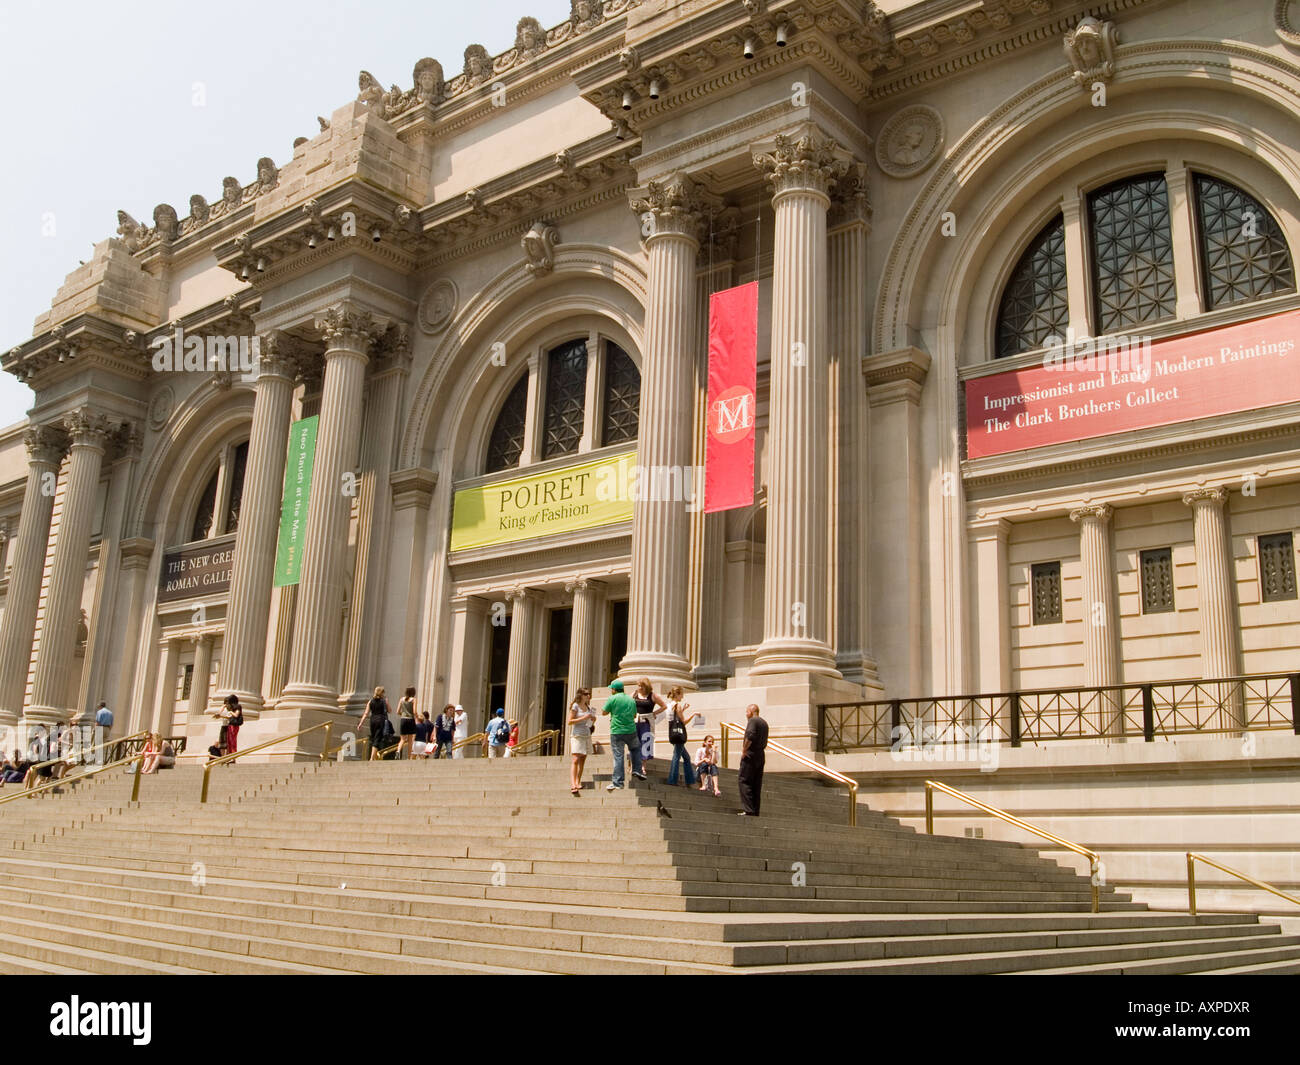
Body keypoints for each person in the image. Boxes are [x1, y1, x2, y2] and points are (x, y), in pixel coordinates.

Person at [602, 679, 641, 790]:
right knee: (635, 749)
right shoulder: (631, 699)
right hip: (631, 730)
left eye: (612, 689)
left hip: (617, 731)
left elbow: (604, 712)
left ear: (614, 689)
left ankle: (618, 782)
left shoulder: (612, 698)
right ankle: (637, 770)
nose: (611, 691)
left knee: (618, 756)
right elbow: (634, 715)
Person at [737, 704, 768, 816]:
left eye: (746, 712)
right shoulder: (764, 723)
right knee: (756, 783)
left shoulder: (753, 721)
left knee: (744, 780)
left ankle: (748, 809)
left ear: (751, 711)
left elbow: (750, 735)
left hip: (751, 753)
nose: (746, 714)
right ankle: (755, 810)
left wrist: (744, 750)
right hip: (760, 754)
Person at [664, 687, 696, 788]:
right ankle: (673, 779)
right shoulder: (677, 705)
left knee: (686, 757)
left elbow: (674, 717)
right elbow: (683, 721)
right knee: (676, 756)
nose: (682, 696)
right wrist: (694, 714)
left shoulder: (669, 705)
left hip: (672, 733)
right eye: (681, 694)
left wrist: (683, 709)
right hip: (679, 735)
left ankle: (689, 780)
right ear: (677, 694)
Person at [632, 677, 667, 767]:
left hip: (647, 722)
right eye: (639, 686)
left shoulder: (652, 696)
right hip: (635, 721)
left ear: (646, 687)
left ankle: (643, 766)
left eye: (642, 686)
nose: (640, 688)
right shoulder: (634, 694)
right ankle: (634, 765)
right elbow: (627, 704)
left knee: (646, 742)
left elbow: (664, 706)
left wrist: (654, 713)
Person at [567, 688, 596, 795]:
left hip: (586, 734)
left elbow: (589, 720)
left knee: (583, 759)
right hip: (577, 735)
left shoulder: (588, 707)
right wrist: (584, 717)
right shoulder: (575, 706)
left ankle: (578, 781)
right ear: (581, 695)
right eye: (586, 694)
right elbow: (570, 721)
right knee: (575, 759)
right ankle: (573, 784)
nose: (588, 696)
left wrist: (592, 719)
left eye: (589, 694)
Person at [359, 686, 392, 760]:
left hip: (373, 720)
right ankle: (371, 758)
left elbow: (366, 713)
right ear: (382, 693)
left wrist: (361, 723)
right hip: (381, 720)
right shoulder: (383, 700)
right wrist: (387, 702)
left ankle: (374, 758)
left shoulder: (370, 701)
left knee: (375, 738)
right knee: (377, 739)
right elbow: (390, 711)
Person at [396, 687, 418, 759]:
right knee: (410, 740)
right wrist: (416, 717)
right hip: (410, 720)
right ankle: (409, 757)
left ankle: (398, 751)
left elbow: (398, 711)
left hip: (403, 719)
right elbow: (414, 711)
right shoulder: (413, 700)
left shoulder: (401, 699)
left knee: (402, 739)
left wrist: (403, 714)